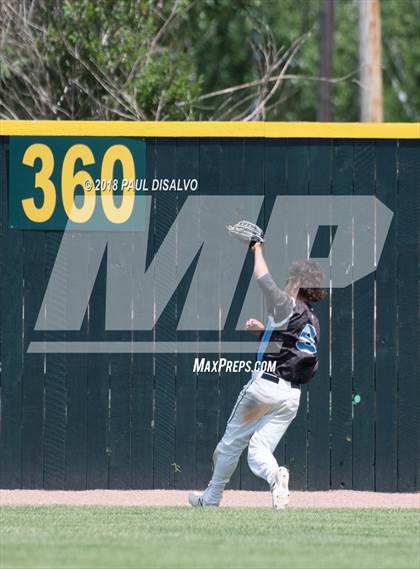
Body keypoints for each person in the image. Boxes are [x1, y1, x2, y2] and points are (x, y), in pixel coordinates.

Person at [189, 241, 326, 509]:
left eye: (291, 279)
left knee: (230, 445)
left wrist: (257, 248)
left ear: (297, 282)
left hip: (265, 387)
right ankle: (277, 478)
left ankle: (212, 498)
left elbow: (264, 280)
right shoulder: (311, 319)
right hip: (290, 398)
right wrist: (265, 332)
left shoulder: (289, 304)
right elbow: (289, 347)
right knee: (259, 452)